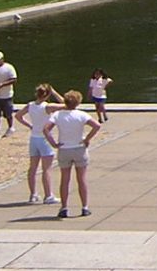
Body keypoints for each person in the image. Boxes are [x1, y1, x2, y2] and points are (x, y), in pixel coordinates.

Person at [43, 90, 101, 218]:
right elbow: (96, 126)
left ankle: (64, 207)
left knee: (65, 179)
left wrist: (53, 143)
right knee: (81, 179)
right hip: (79, 148)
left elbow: (46, 129)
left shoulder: (58, 115)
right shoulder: (81, 115)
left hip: (64, 148)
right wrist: (87, 139)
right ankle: (84, 207)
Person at [15, 83, 64, 204]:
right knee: (46, 169)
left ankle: (33, 194)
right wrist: (54, 92)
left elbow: (18, 116)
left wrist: (30, 125)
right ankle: (48, 195)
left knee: (33, 168)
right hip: (44, 139)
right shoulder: (47, 107)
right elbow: (66, 104)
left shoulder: (30, 105)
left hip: (34, 138)